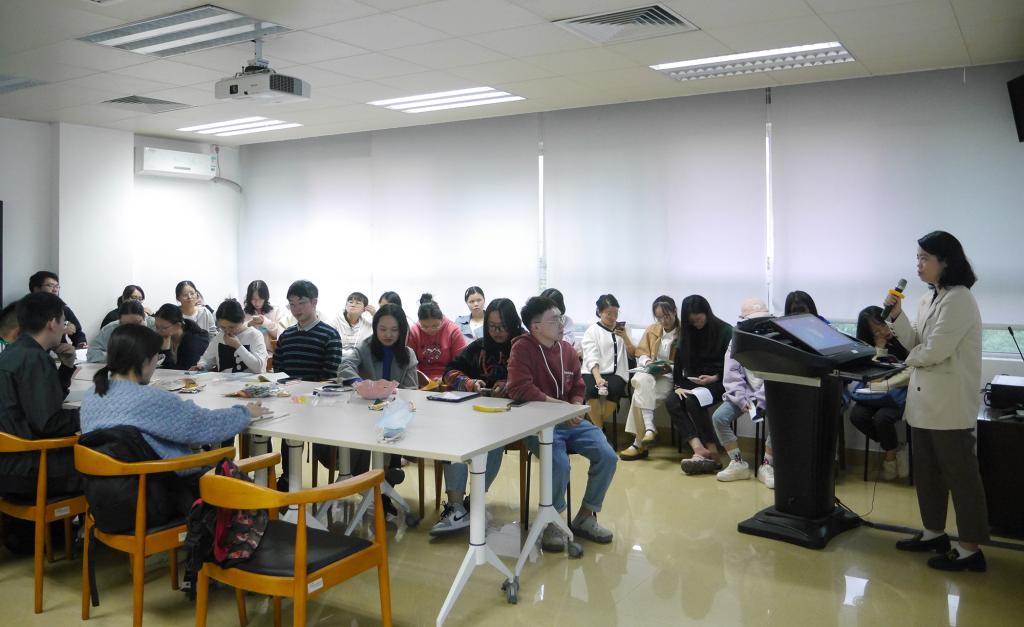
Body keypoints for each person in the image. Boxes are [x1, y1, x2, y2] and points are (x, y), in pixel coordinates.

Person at [885, 231, 988, 572]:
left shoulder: (960, 299)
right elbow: (915, 339)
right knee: (928, 473)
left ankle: (970, 549)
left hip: (949, 406)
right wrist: (896, 316)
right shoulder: (929, 298)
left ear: (945, 261)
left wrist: (903, 361)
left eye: (924, 258)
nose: (918, 264)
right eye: (917, 258)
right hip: (923, 402)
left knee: (961, 478)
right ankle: (933, 533)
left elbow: (934, 351)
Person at [81, 324, 265, 510]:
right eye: (157, 357)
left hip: (105, 500)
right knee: (235, 480)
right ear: (145, 360)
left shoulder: (91, 396)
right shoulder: (149, 399)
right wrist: (245, 413)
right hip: (160, 497)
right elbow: (204, 426)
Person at [507, 296, 617, 548]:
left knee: (607, 456)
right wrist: (560, 407)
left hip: (569, 420)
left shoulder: (566, 350)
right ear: (536, 327)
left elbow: (578, 386)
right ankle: (553, 521)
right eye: (554, 319)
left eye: (561, 317)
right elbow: (519, 388)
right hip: (537, 424)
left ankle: (585, 516)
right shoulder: (522, 349)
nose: (561, 323)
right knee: (559, 463)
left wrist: (575, 406)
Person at [433, 298, 523, 536]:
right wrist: (469, 382)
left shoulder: (523, 346)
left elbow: (531, 380)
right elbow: (449, 371)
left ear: (513, 324)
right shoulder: (480, 347)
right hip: (473, 413)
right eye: (491, 326)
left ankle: (475, 501)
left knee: (493, 441)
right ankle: (455, 507)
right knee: (453, 438)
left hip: (511, 416)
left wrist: (509, 386)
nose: (497, 332)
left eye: (502, 326)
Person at [0, 292, 83, 499]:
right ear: (52, 323)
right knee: (101, 461)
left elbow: (40, 403)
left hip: (10, 460)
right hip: (28, 468)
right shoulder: (35, 358)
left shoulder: (13, 352)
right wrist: (90, 413)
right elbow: (48, 424)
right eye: (63, 322)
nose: (64, 328)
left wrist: (66, 367)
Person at [712, 298, 776, 487]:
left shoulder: (776, 338)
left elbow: (775, 375)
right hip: (744, 396)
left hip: (770, 395)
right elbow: (731, 374)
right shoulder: (737, 340)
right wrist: (742, 400)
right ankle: (737, 462)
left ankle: (767, 465)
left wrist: (759, 402)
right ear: (743, 321)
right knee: (719, 418)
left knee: (781, 420)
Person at [669, 295, 733, 476]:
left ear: (707, 313)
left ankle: (712, 451)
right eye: (692, 321)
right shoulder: (687, 332)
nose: (696, 324)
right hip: (694, 380)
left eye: (699, 319)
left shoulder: (725, 330)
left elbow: (734, 366)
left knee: (694, 400)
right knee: (672, 401)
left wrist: (715, 377)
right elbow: (678, 363)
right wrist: (677, 386)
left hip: (719, 381)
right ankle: (698, 448)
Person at [849, 305, 910, 481]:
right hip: (875, 393)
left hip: (900, 393)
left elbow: (909, 373)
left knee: (882, 418)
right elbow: (870, 372)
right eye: (876, 331)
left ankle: (889, 456)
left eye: (883, 326)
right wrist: (879, 348)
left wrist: (885, 384)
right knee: (857, 416)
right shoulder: (869, 347)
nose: (883, 332)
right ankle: (894, 448)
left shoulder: (905, 338)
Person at [619, 296, 678, 461]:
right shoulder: (652, 329)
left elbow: (687, 362)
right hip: (650, 374)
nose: (663, 321)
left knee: (638, 396)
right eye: (659, 318)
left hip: (669, 377)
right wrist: (648, 362)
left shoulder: (684, 333)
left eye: (666, 316)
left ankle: (639, 443)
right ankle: (649, 429)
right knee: (643, 380)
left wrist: (669, 368)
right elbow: (641, 352)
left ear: (675, 311)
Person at [581, 294, 633, 430]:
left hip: (617, 372)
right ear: (599, 312)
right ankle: (599, 431)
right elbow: (591, 356)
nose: (613, 317)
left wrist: (625, 337)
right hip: (593, 371)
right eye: (608, 313)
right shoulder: (592, 331)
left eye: (616, 313)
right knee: (591, 390)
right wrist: (598, 378)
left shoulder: (624, 329)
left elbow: (633, 354)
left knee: (615, 389)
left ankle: (596, 429)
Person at [274, 280, 343, 382]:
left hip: (316, 391)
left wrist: (300, 384)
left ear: (314, 302)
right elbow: (277, 369)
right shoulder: (285, 335)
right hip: (286, 390)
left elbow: (329, 375)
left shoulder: (330, 335)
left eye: (301, 303)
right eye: (292, 304)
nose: (296, 309)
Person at [337, 304, 419, 388]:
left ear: (401, 330)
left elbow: (411, 389)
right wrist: (359, 383)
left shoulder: (408, 354)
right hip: (368, 396)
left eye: (394, 330)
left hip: (398, 396)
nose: (388, 335)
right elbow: (345, 366)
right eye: (383, 329)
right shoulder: (365, 347)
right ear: (375, 328)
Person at [193, 299, 268, 373]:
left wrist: (238, 346)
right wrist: (200, 366)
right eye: (223, 327)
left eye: (232, 327)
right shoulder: (220, 336)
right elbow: (206, 359)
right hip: (224, 380)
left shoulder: (254, 335)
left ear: (242, 321)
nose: (227, 331)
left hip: (251, 380)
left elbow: (259, 368)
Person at [406, 293, 467, 383]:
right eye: (425, 327)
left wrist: (447, 378)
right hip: (420, 381)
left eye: (435, 326)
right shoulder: (414, 332)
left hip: (448, 379)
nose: (430, 330)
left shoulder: (453, 331)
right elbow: (410, 363)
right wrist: (421, 380)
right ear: (419, 322)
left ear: (441, 319)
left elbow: (461, 362)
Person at [29, 270, 86, 347]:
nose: (55, 290)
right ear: (36, 289)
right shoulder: (25, 309)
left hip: (62, 351)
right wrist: (60, 330)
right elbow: (30, 336)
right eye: (50, 286)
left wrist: (81, 346)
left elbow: (78, 333)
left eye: (57, 286)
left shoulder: (63, 309)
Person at [153, 304, 210, 370]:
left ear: (178, 325)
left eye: (164, 328)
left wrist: (165, 351)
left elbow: (183, 372)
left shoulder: (193, 341)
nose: (158, 331)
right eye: (157, 327)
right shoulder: (165, 337)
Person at [332, 291, 374, 358]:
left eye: (358, 303)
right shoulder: (334, 322)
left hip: (359, 360)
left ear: (364, 309)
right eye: (350, 302)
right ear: (346, 306)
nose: (353, 305)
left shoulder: (367, 325)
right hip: (337, 358)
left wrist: (375, 315)